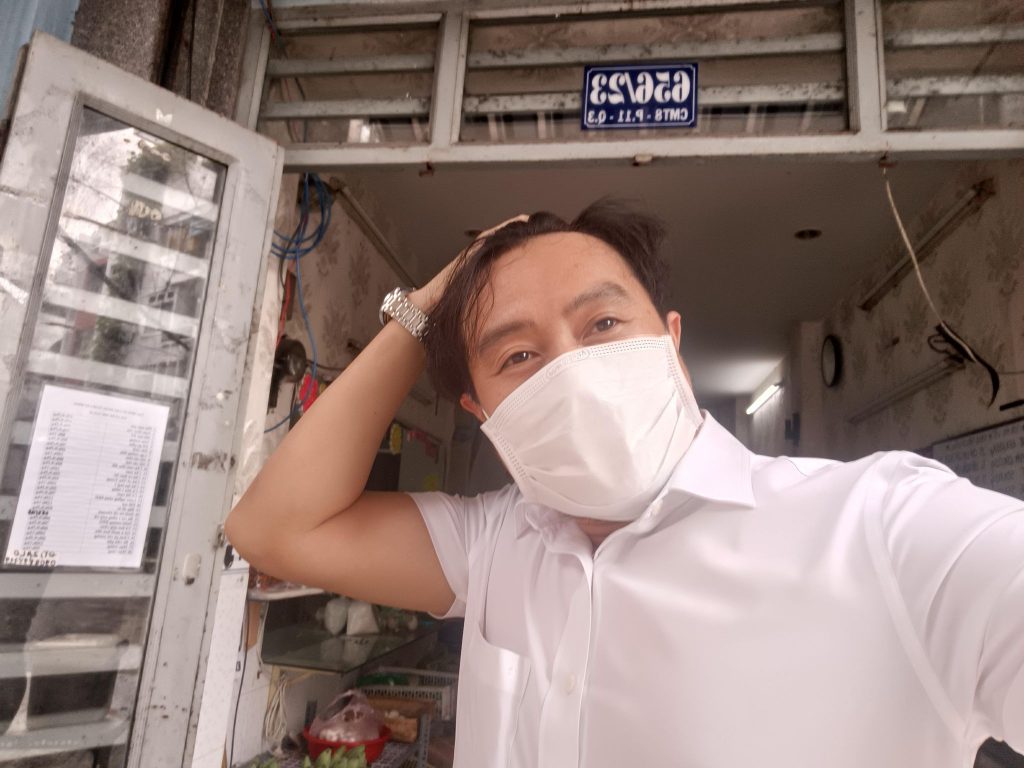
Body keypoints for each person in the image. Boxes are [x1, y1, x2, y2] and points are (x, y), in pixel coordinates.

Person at [225, 201, 1024, 768]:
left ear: (672, 345)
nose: (572, 369)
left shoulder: (885, 530)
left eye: (603, 324)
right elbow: (273, 530)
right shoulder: (495, 542)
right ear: (480, 412)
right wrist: (427, 307)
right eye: (518, 355)